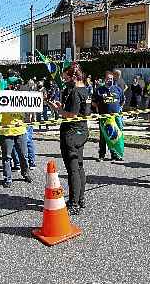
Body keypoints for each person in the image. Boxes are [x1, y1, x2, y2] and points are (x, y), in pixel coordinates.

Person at [48, 63, 91, 215]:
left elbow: (71, 115)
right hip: (82, 131)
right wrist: (61, 108)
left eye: (66, 76)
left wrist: (59, 110)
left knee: (73, 169)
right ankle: (80, 199)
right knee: (79, 166)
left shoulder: (74, 92)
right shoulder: (85, 90)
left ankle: (74, 203)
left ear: (73, 76)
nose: (64, 79)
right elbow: (80, 111)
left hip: (71, 133)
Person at [0, 79, 32, 188]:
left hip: (20, 131)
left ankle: (25, 173)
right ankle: (8, 178)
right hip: (6, 132)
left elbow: (28, 115)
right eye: (13, 84)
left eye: (17, 84)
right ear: (9, 85)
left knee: (23, 155)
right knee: (7, 157)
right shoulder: (2, 95)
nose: (15, 86)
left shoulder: (23, 96)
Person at [93, 71, 125, 162]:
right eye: (107, 78)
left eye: (111, 78)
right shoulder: (99, 90)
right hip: (104, 118)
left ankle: (115, 155)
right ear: (105, 79)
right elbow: (94, 103)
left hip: (116, 118)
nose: (109, 80)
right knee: (103, 136)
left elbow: (122, 101)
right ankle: (101, 155)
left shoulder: (118, 89)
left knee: (115, 136)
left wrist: (118, 109)